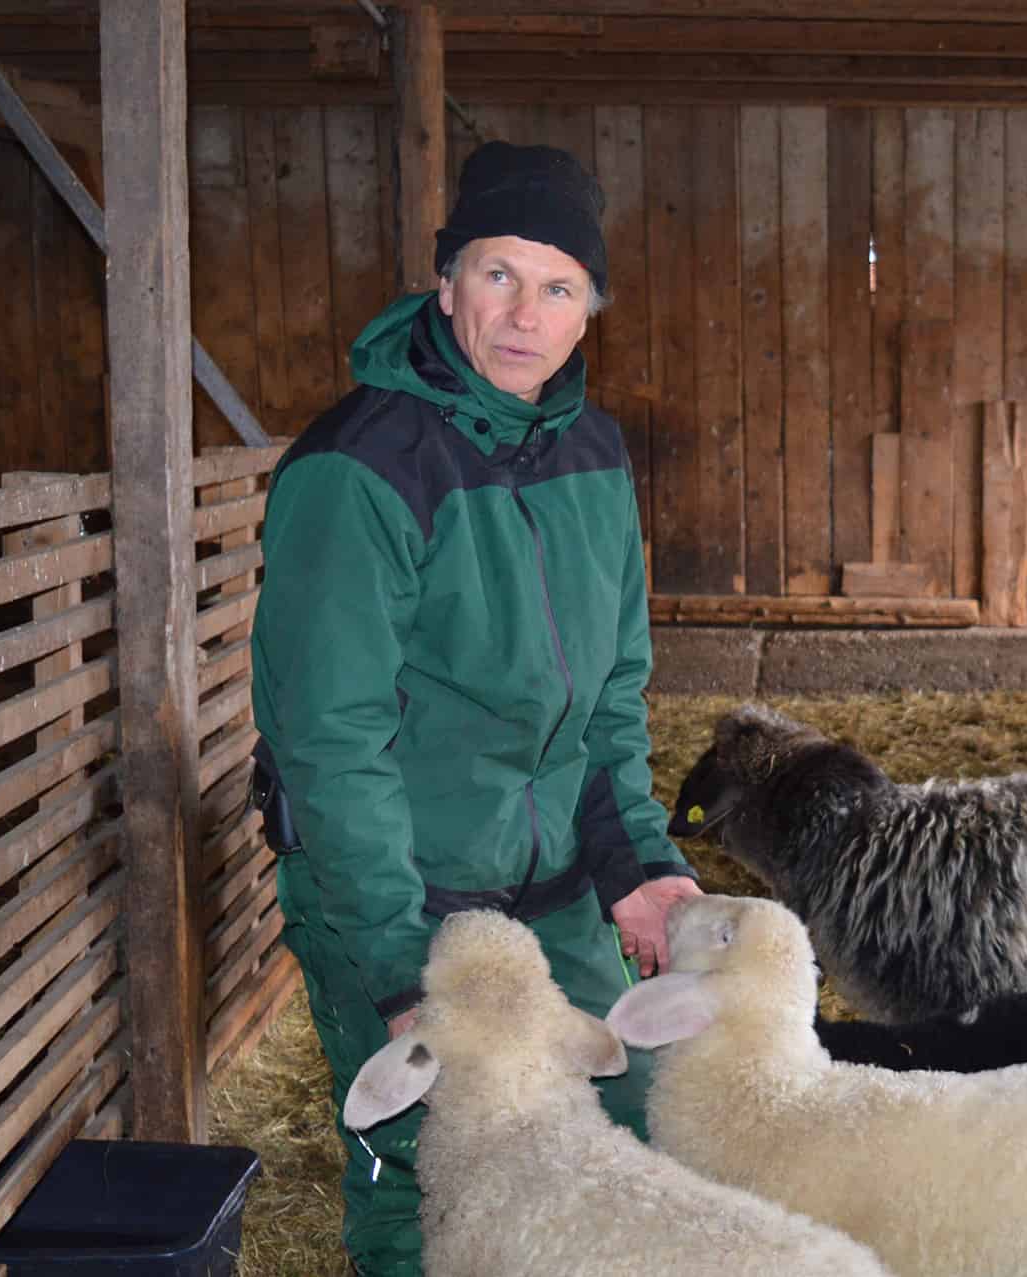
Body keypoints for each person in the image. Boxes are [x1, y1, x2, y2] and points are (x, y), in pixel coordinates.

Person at [250, 141, 702, 1277]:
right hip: (404, 893)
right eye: (498, 273)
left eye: (559, 287)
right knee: (427, 1179)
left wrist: (635, 858)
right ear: (445, 279)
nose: (524, 313)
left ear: (590, 312)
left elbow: (608, 687)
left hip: (550, 888)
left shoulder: (593, 453)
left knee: (629, 1126)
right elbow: (330, 743)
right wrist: (404, 967)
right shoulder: (357, 470)